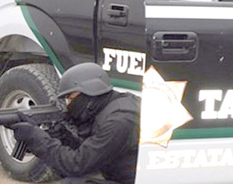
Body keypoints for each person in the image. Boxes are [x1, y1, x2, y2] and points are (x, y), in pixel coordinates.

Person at [8, 63, 140, 184]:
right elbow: (91, 149)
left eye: (70, 98)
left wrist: (38, 140)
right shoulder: (110, 106)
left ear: (88, 93)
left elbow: (76, 166)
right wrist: (63, 137)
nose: (67, 104)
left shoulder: (119, 121)